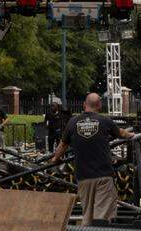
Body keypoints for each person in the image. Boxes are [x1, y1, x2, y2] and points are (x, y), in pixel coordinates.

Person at [51, 93, 133, 227]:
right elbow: (122, 134)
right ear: (99, 105)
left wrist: (55, 159)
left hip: (84, 177)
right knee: (102, 214)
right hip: (103, 175)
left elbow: (63, 145)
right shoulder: (104, 120)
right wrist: (132, 134)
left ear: (84, 104)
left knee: (88, 214)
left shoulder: (73, 122)